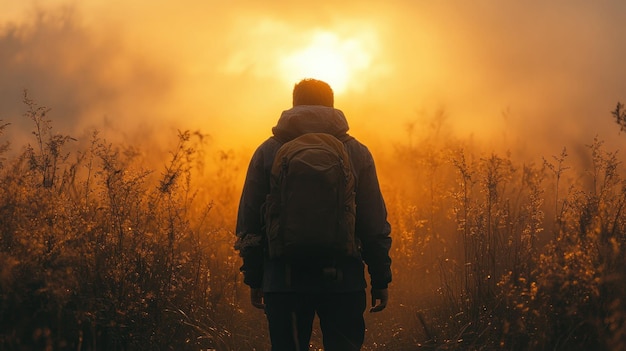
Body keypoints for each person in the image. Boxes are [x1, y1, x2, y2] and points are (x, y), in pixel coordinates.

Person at [235, 78, 392, 351]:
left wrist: (255, 276)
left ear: (294, 105)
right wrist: (380, 279)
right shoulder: (356, 152)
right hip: (343, 280)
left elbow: (249, 222)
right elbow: (373, 223)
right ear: (332, 106)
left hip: (284, 281)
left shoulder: (267, 151)